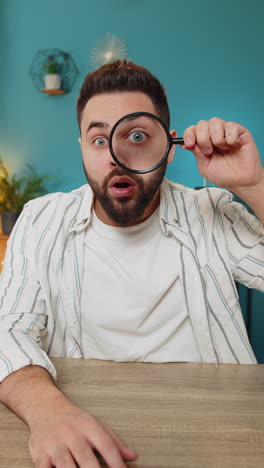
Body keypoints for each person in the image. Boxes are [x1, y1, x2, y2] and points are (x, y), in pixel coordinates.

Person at [0, 59, 263, 468]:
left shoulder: (210, 211)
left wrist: (255, 186)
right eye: (100, 141)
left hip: (217, 433)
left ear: (169, 146)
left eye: (136, 136)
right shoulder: (39, 219)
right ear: (83, 149)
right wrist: (46, 410)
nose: (117, 158)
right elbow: (7, 330)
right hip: (85, 427)